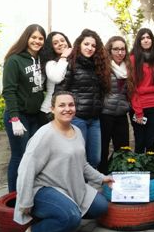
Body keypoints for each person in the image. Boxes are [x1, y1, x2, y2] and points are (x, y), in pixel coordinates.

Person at [14, 91, 114, 232]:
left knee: (101, 206)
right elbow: (26, 169)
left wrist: (103, 178)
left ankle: (62, 213)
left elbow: (83, 164)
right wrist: (25, 201)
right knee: (71, 218)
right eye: (61, 105)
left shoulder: (77, 131)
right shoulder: (44, 135)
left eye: (71, 105)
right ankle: (35, 229)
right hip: (44, 188)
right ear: (52, 109)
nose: (67, 109)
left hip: (71, 186)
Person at [55, 29, 110, 169]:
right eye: (86, 44)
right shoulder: (71, 63)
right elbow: (60, 91)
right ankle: (78, 188)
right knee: (78, 159)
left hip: (95, 119)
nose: (90, 48)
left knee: (95, 159)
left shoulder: (98, 66)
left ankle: (89, 188)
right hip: (77, 118)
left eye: (93, 45)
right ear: (79, 44)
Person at [2, 24, 46, 192]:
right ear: (26, 38)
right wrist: (14, 119)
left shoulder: (43, 59)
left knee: (34, 156)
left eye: (40, 38)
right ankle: (13, 195)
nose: (37, 41)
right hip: (18, 116)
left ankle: (28, 190)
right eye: (33, 37)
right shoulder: (14, 60)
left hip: (36, 117)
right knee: (19, 156)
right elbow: (9, 90)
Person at [99, 36, 132, 174]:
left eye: (123, 49)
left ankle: (120, 176)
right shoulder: (103, 67)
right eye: (116, 49)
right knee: (103, 149)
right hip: (105, 114)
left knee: (123, 149)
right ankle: (102, 176)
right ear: (109, 50)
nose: (120, 52)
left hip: (121, 115)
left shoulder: (128, 68)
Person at [129, 28, 154, 154]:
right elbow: (132, 88)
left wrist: (143, 90)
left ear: (152, 40)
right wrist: (138, 111)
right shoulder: (132, 59)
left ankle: (151, 171)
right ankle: (139, 172)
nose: (146, 40)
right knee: (139, 142)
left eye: (148, 37)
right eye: (142, 38)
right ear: (139, 41)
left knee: (151, 142)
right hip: (138, 107)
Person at [39, 31, 72, 124]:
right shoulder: (50, 63)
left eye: (62, 40)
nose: (60, 44)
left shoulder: (72, 61)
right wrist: (64, 56)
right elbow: (57, 78)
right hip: (49, 112)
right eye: (55, 43)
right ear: (51, 47)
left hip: (66, 110)